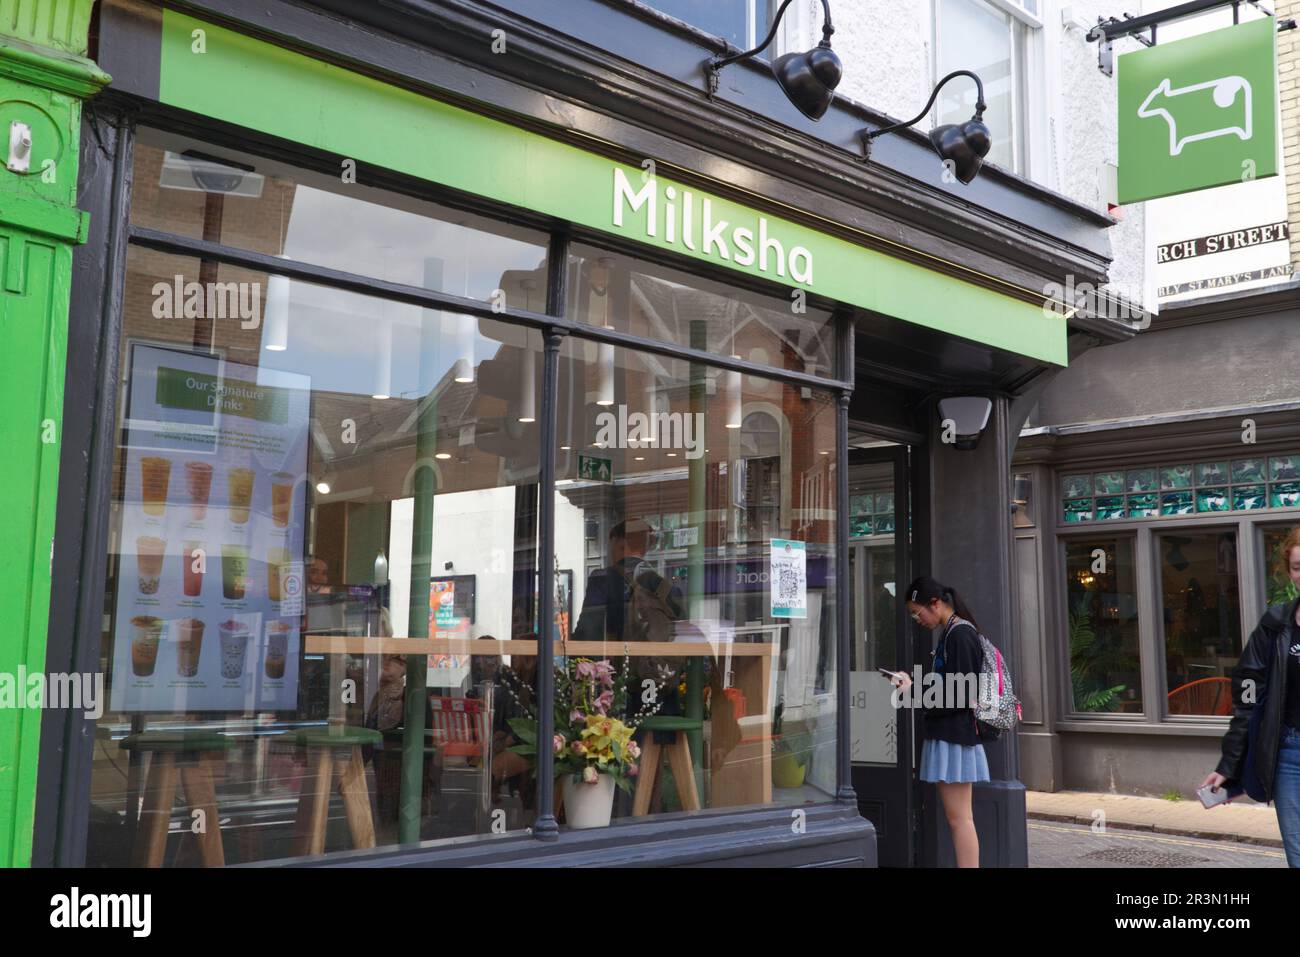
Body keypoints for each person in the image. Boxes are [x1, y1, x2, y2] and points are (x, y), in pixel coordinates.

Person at [1202, 527, 1300, 866]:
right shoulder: (1274, 625)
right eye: (1298, 566)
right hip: (1290, 755)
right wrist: (1230, 765)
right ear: (1289, 572)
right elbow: (1247, 697)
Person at [888, 576, 990, 868]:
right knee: (958, 819)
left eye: (917, 612)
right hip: (951, 736)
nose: (917, 619)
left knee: (960, 820)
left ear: (934, 603)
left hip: (955, 737)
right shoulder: (951, 633)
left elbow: (962, 694)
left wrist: (914, 690)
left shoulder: (960, 634)